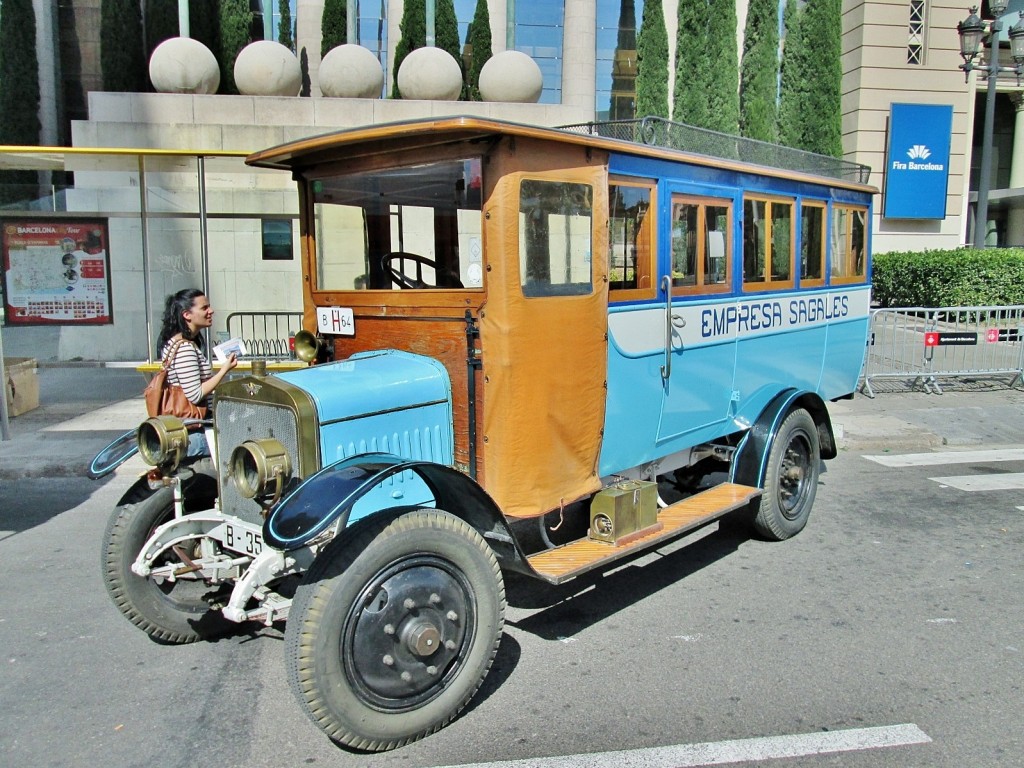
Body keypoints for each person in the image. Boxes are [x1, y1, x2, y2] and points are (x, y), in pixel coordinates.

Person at [157, 288, 238, 456]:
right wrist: (224, 370)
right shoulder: (185, 348)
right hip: (195, 430)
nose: (211, 311)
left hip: (187, 427)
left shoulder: (174, 342)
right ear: (187, 314)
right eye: (204, 308)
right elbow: (195, 394)